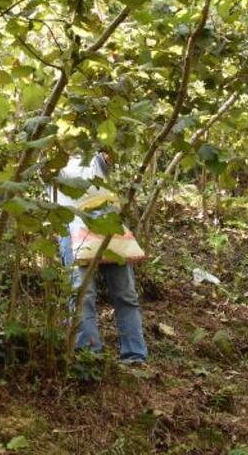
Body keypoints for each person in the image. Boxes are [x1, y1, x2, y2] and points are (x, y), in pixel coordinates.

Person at [54, 152, 148, 363]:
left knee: (125, 294)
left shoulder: (95, 157)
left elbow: (109, 155)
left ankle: (134, 355)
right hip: (72, 228)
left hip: (108, 225)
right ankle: (89, 355)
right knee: (82, 295)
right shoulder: (51, 162)